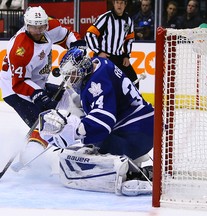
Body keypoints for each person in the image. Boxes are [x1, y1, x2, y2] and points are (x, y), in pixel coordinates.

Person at [38, 47, 154, 195]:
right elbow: (102, 103)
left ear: (82, 68)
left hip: (138, 131)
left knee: (97, 144)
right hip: (142, 125)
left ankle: (134, 173)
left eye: (72, 74)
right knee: (93, 140)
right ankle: (133, 167)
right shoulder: (99, 64)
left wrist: (75, 131)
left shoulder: (97, 82)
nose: (71, 80)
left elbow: (103, 122)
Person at [0, 6, 83, 155]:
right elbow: (19, 83)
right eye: (33, 27)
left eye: (41, 26)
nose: (38, 31)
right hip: (15, 90)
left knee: (70, 99)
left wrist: (76, 47)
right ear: (26, 25)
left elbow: (67, 35)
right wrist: (39, 95)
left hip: (37, 82)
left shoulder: (50, 27)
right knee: (47, 125)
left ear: (46, 23)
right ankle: (30, 156)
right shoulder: (21, 49)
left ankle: (83, 136)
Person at [85, 0, 139, 89]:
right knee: (103, 84)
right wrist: (98, 52)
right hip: (104, 56)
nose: (119, 5)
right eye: (117, 2)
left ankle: (131, 102)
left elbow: (129, 39)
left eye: (122, 3)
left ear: (125, 5)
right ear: (114, 4)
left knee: (133, 80)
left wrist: (126, 56)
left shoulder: (128, 20)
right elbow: (90, 34)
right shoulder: (106, 17)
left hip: (119, 57)